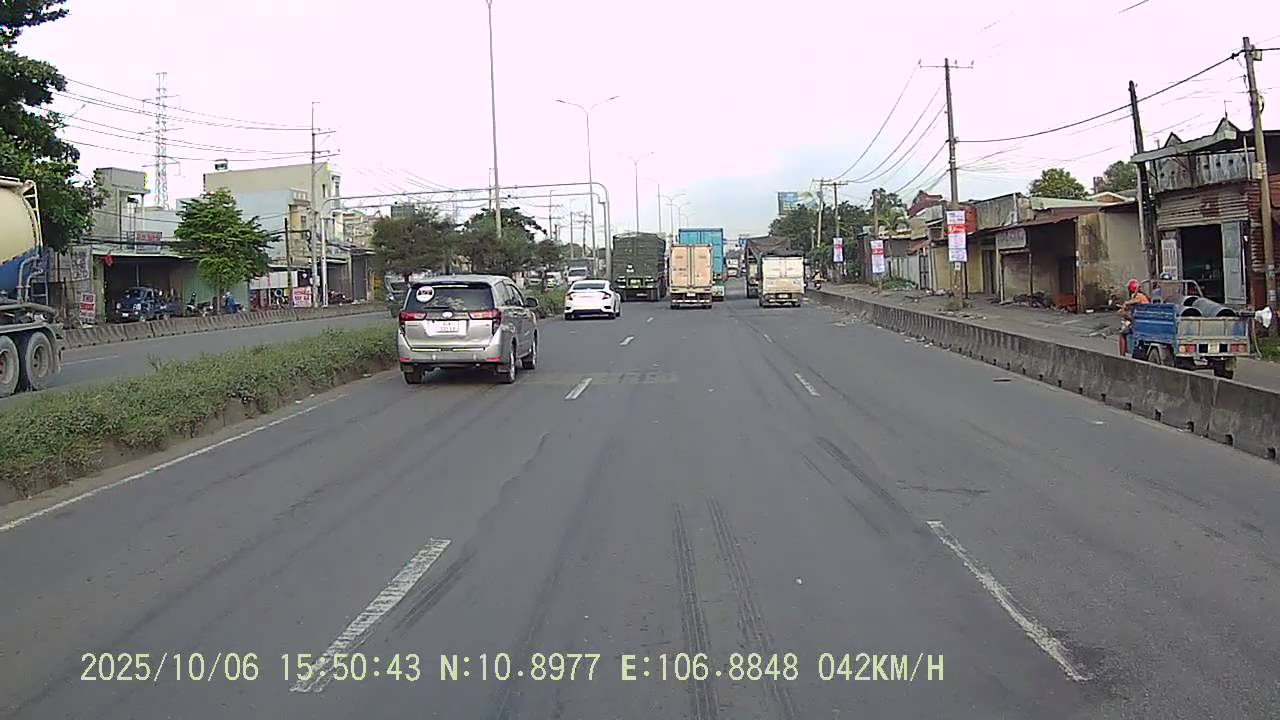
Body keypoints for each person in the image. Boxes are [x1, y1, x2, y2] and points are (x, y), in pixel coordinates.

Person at [1118, 278, 1150, 356]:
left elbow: (1128, 303)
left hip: (1141, 322)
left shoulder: (1138, 296)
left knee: (1122, 333)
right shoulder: (1142, 296)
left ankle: (1122, 356)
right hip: (1144, 319)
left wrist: (1123, 310)